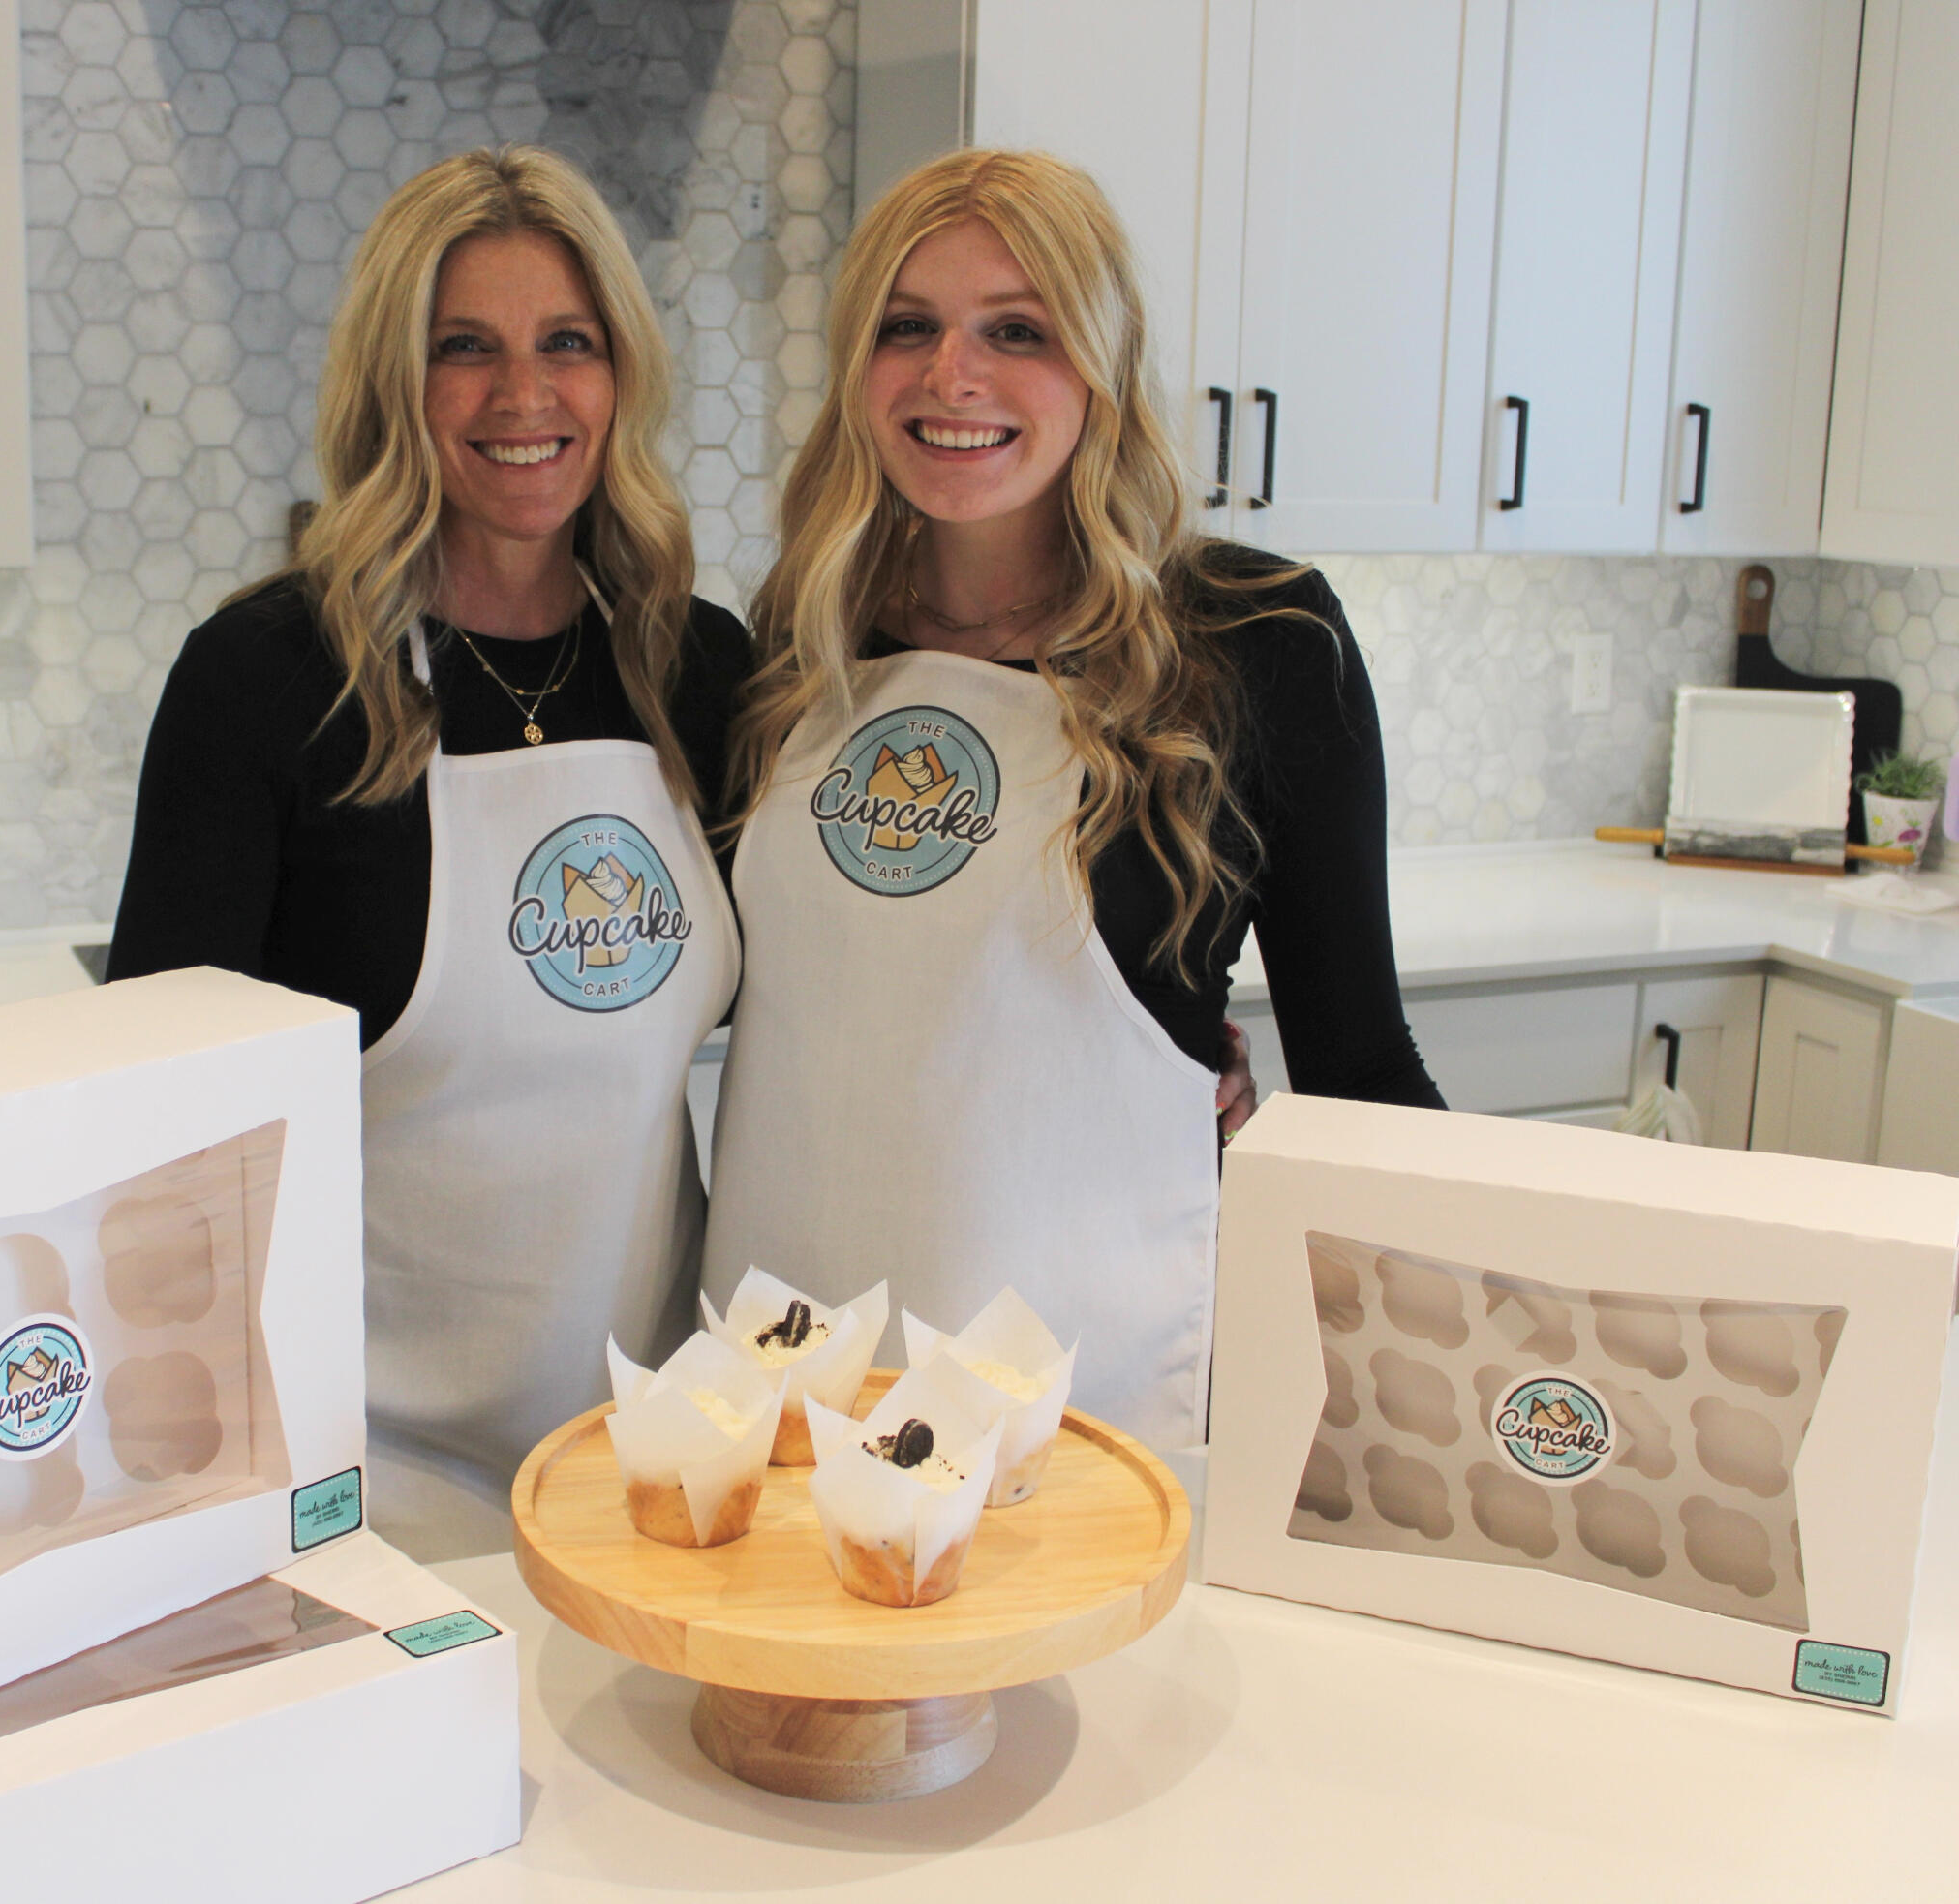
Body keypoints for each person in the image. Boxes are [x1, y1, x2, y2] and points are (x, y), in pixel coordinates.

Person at [700, 149, 1442, 1452]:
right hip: (793, 1386)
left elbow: (1361, 1070)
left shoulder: (1255, 644)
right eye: (907, 327)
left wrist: (1506, 1311)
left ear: (1100, 361)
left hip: (1086, 1401)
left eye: (1017, 330)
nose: (952, 376)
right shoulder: (789, 649)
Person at [107, 146, 749, 1489]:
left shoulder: (699, 670)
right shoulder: (270, 682)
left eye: (566, 342)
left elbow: (833, 990)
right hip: (356, 1472)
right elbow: (151, 1136)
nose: (524, 395)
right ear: (396, 382)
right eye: (465, 348)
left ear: (620, 370)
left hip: (650, 1458)